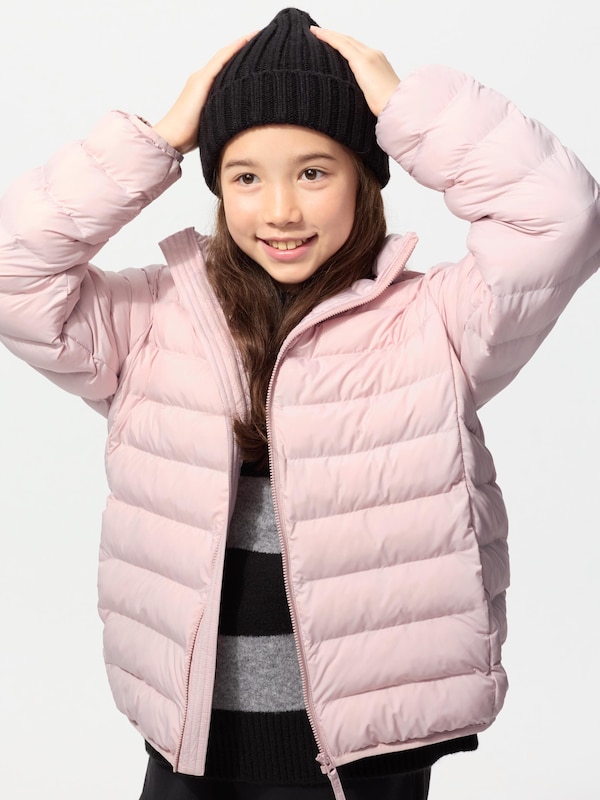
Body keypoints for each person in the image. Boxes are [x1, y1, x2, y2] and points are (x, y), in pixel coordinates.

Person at [0, 6, 598, 800]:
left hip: (366, 753)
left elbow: (561, 216)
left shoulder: (437, 324)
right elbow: (14, 271)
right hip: (191, 747)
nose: (280, 210)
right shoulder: (152, 320)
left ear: (364, 179)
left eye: (314, 172)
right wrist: (160, 138)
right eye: (246, 177)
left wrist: (410, 108)